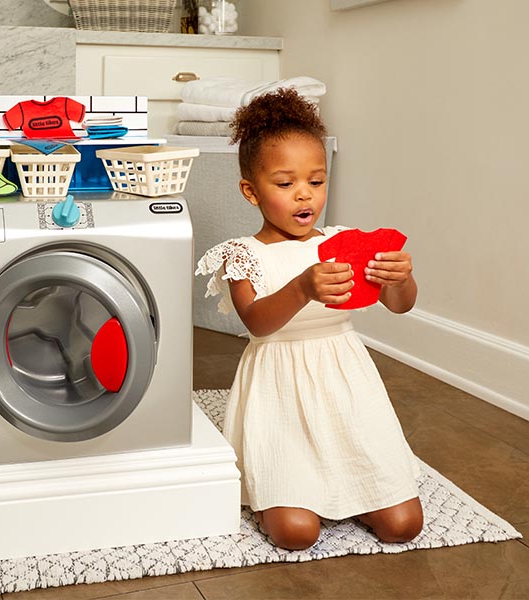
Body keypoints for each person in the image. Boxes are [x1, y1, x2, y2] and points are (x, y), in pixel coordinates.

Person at [195, 88, 423, 550]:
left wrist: (400, 278)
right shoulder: (243, 254)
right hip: (279, 388)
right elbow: (258, 323)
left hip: (346, 385)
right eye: (285, 184)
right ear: (251, 190)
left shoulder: (343, 242)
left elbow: (400, 305)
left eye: (316, 182)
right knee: (297, 534)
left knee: (404, 525)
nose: (305, 194)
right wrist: (301, 287)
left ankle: (350, 477)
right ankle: (285, 483)